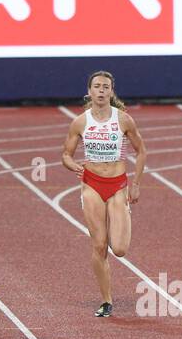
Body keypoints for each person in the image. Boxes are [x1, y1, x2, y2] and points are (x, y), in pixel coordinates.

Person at [61, 71, 147, 318]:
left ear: (111, 91)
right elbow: (66, 154)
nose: (101, 90)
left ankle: (122, 217)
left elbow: (141, 151)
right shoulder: (80, 122)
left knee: (119, 249)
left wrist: (136, 183)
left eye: (105, 87)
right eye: (97, 86)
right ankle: (106, 300)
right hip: (92, 185)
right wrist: (73, 165)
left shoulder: (124, 120)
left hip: (118, 185)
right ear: (89, 91)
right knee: (99, 245)